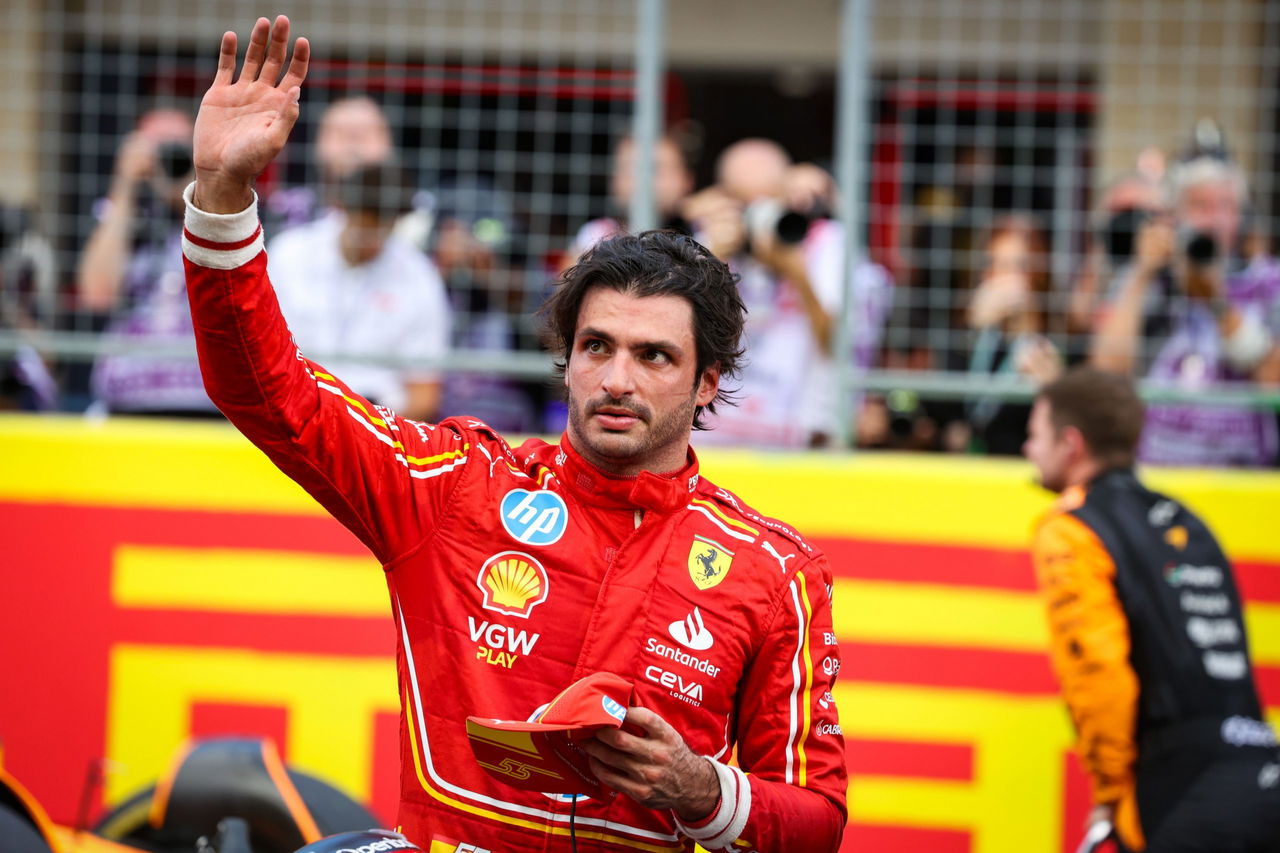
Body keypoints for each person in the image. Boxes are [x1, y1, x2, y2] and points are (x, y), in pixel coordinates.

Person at [182, 16, 846, 852]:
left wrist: (702, 790)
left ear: (708, 380)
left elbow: (818, 822)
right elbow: (265, 389)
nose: (616, 379)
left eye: (655, 356)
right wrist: (219, 199)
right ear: (565, 360)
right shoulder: (456, 483)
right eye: (596, 346)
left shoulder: (774, 570)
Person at [1024, 367, 1280, 852]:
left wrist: (1111, 792)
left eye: (1034, 435)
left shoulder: (1071, 527)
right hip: (1262, 771)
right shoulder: (1187, 520)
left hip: (1181, 792)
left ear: (1072, 444)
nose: (1027, 450)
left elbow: (1097, 670)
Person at [689, 138, 891, 447]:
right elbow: (671, 329)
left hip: (795, 444)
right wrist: (711, 257)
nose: (756, 216)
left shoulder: (826, 243)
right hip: (710, 442)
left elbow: (841, 343)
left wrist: (796, 270)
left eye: (767, 201)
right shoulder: (707, 243)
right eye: (744, 204)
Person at [1091, 155, 1280, 467]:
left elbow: (1273, 380)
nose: (1214, 221)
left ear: (1242, 218)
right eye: (1200, 207)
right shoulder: (1151, 278)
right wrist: (1142, 273)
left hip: (1243, 473)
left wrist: (1215, 302)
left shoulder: (1266, 281)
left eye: (1226, 207)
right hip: (1156, 465)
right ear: (1174, 217)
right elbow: (1106, 373)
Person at [267, 162, 450, 422]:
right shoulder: (289, 254)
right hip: (290, 414)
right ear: (341, 207)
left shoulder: (420, 278)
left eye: (385, 223)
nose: (374, 234)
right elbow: (259, 357)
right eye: (366, 220)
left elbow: (424, 395)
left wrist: (372, 438)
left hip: (379, 426)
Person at [78, 107, 220, 416]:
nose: (168, 157)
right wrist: (125, 185)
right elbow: (97, 295)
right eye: (158, 146)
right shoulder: (124, 217)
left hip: (207, 401)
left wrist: (199, 191)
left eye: (179, 146)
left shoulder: (221, 214)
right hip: (127, 398)